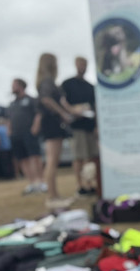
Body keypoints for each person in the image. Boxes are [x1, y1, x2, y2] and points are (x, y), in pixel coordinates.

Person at [35, 53, 76, 209]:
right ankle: (51, 197)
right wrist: (63, 114)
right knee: (52, 160)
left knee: (53, 160)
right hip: (52, 123)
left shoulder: (46, 81)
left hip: (51, 123)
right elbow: (46, 100)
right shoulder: (47, 82)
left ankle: (55, 195)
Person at [61, 56, 99, 196]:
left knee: (90, 156)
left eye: (84, 64)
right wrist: (72, 111)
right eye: (80, 64)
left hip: (89, 126)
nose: (82, 67)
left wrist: (96, 125)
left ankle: (89, 184)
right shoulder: (67, 84)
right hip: (76, 127)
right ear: (76, 65)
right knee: (79, 156)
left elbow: (95, 107)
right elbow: (62, 101)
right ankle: (80, 186)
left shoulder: (90, 87)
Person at [8, 78, 46, 193]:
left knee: (35, 157)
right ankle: (32, 183)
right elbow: (8, 118)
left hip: (29, 133)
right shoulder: (12, 104)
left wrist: (35, 126)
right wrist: (9, 130)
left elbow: (39, 114)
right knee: (22, 159)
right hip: (16, 135)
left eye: (14, 85)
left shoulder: (31, 100)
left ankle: (41, 182)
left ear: (21, 86)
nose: (12, 87)